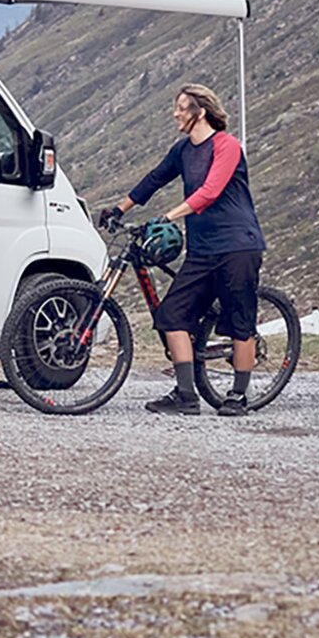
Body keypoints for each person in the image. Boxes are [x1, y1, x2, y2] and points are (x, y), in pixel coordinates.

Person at [112, 82, 266, 418]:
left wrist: (169, 215)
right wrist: (120, 209)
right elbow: (154, 179)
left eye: (181, 107)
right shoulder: (183, 150)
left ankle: (239, 395)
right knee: (172, 316)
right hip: (203, 250)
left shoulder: (227, 146)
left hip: (238, 246)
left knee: (240, 322)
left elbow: (210, 192)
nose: (176, 113)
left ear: (200, 111)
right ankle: (185, 395)